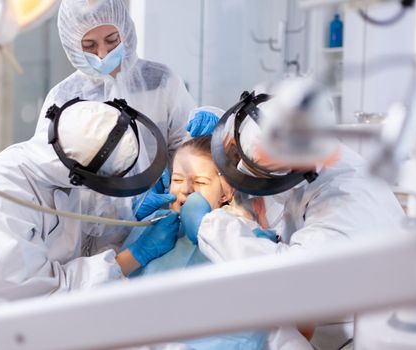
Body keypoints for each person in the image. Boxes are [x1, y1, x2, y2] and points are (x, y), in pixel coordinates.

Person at [177, 88, 406, 349]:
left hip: (356, 333)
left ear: (293, 174)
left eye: (202, 180)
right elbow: (259, 127)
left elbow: (288, 277)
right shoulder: (292, 134)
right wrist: (222, 127)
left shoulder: (347, 199)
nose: (184, 190)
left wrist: (208, 226)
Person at [0, 100, 180, 300]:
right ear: (81, 174)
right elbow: (40, 295)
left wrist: (126, 216)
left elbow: (78, 232)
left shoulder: (59, 172)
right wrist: (133, 256)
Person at [122, 136, 313, 350]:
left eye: (200, 182)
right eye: (177, 179)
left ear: (227, 190)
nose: (185, 189)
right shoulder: (151, 227)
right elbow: (113, 289)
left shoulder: (242, 232)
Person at [37, 0, 197, 218]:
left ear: (126, 30)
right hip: (92, 230)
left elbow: (190, 146)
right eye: (89, 46)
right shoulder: (63, 98)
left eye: (112, 40)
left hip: (163, 218)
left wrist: (178, 178)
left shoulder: (160, 82)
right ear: (72, 44)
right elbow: (50, 175)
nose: (102, 53)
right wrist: (115, 207)